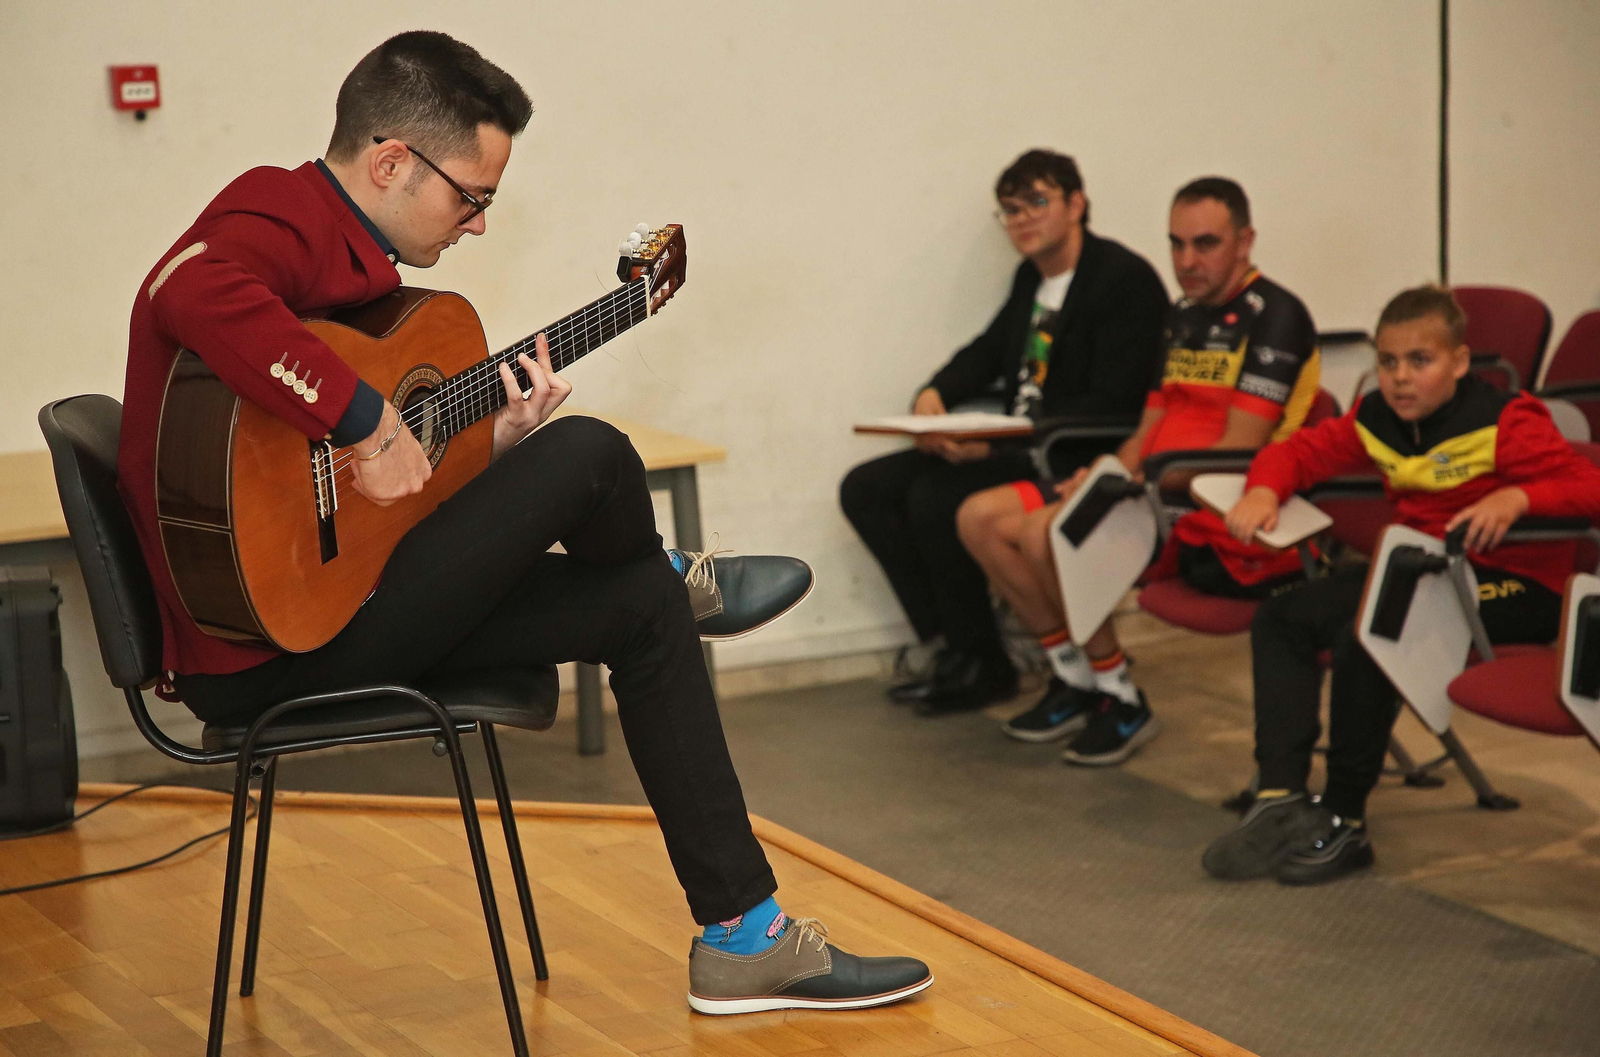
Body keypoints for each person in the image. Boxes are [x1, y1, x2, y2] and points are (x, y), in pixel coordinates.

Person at [116, 31, 929, 1013]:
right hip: (271, 654)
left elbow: (363, 506)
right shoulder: (275, 213)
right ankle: (675, 571)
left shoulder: (361, 272)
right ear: (389, 161)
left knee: (635, 605)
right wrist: (365, 416)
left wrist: (486, 441)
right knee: (591, 455)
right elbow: (187, 289)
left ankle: (744, 938)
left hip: (340, 601)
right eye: (473, 196)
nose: (480, 224)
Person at [1203, 285, 1600, 884]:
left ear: (1460, 362)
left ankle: (1344, 820)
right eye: (1387, 362)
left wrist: (1519, 496)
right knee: (1282, 616)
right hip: (1419, 568)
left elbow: (1589, 487)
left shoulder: (1507, 420)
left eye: (1421, 361)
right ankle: (1281, 795)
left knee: (1369, 634)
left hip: (1517, 587)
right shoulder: (1376, 418)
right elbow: (1301, 453)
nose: (1400, 378)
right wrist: (1264, 488)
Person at [957, 178, 1320, 764]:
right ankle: (1075, 678)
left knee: (1043, 531)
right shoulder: (1180, 315)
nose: (1186, 262)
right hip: (1147, 483)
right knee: (979, 518)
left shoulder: (1275, 315)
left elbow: (1238, 450)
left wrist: (1125, 483)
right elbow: (1149, 426)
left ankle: (1121, 695)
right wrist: (1104, 474)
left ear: (1245, 240)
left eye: (1205, 244)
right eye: (1176, 244)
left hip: (1209, 506)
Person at [840, 150, 1168, 716]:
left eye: (1037, 203)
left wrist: (995, 444)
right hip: (1019, 442)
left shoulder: (1121, 279)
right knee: (866, 487)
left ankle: (984, 663)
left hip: (1069, 453)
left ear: (1077, 204)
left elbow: (1115, 400)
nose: (1022, 220)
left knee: (935, 496)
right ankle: (954, 645)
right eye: (1010, 210)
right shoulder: (1031, 280)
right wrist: (934, 394)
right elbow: (989, 351)